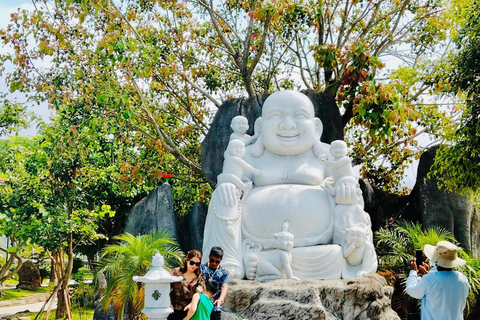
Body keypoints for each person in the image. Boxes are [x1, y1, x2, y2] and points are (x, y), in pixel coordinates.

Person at [406, 241, 469, 320]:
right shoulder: (462, 278)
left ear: (436, 260)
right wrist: (429, 275)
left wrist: (413, 272)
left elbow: (412, 290)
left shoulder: (430, 279)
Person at [168, 250, 206, 320]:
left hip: (190, 311)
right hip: (174, 309)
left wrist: (192, 304)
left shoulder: (199, 276)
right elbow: (167, 288)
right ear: (186, 260)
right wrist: (169, 303)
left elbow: (199, 293)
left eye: (197, 264)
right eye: (192, 263)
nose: (194, 266)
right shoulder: (176, 272)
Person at [199, 247, 229, 320]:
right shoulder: (201, 268)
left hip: (215, 306)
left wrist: (220, 299)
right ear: (209, 257)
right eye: (212, 260)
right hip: (201, 304)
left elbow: (224, 286)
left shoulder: (224, 272)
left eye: (217, 261)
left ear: (221, 260)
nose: (214, 263)